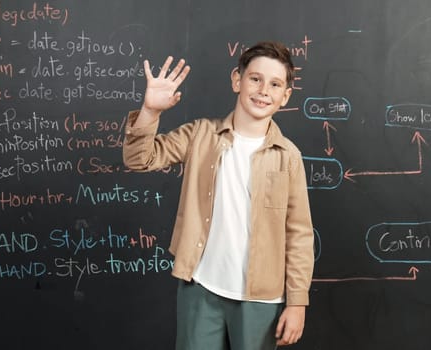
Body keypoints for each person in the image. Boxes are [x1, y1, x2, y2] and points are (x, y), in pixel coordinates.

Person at [122, 41, 314, 350]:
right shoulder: (200, 135)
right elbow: (139, 158)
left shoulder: (289, 157)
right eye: (255, 79)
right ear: (237, 80)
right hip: (201, 287)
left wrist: (297, 303)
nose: (264, 90)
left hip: (261, 299)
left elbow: (300, 235)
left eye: (275, 84)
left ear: (285, 96)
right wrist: (149, 111)